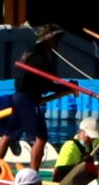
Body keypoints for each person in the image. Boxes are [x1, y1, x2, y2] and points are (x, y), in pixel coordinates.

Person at [12, 26, 68, 156]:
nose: (57, 42)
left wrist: (64, 87)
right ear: (47, 40)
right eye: (55, 39)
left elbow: (45, 82)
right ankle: (33, 172)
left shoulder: (32, 52)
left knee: (10, 133)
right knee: (40, 137)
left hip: (19, 97)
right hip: (27, 100)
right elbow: (47, 85)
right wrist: (66, 88)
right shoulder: (40, 59)